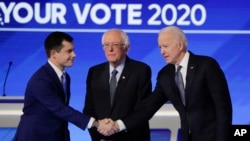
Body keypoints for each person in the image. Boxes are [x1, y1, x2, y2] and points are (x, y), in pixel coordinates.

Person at [99, 26, 233, 141]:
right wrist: (118, 124)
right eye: (160, 47)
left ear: (180, 45)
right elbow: (148, 107)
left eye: (166, 46)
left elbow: (223, 109)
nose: (162, 51)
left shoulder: (206, 65)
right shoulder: (165, 75)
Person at [13, 31, 96, 141]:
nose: (74, 55)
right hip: (35, 136)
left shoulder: (66, 77)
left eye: (73, 50)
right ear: (53, 54)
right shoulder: (41, 79)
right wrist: (95, 123)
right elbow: (60, 109)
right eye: (69, 51)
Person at [83, 28, 152, 141]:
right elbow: (89, 110)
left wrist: (117, 126)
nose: (110, 49)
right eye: (106, 45)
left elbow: (143, 110)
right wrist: (99, 136)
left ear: (126, 48)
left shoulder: (141, 71)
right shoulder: (94, 72)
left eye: (115, 44)